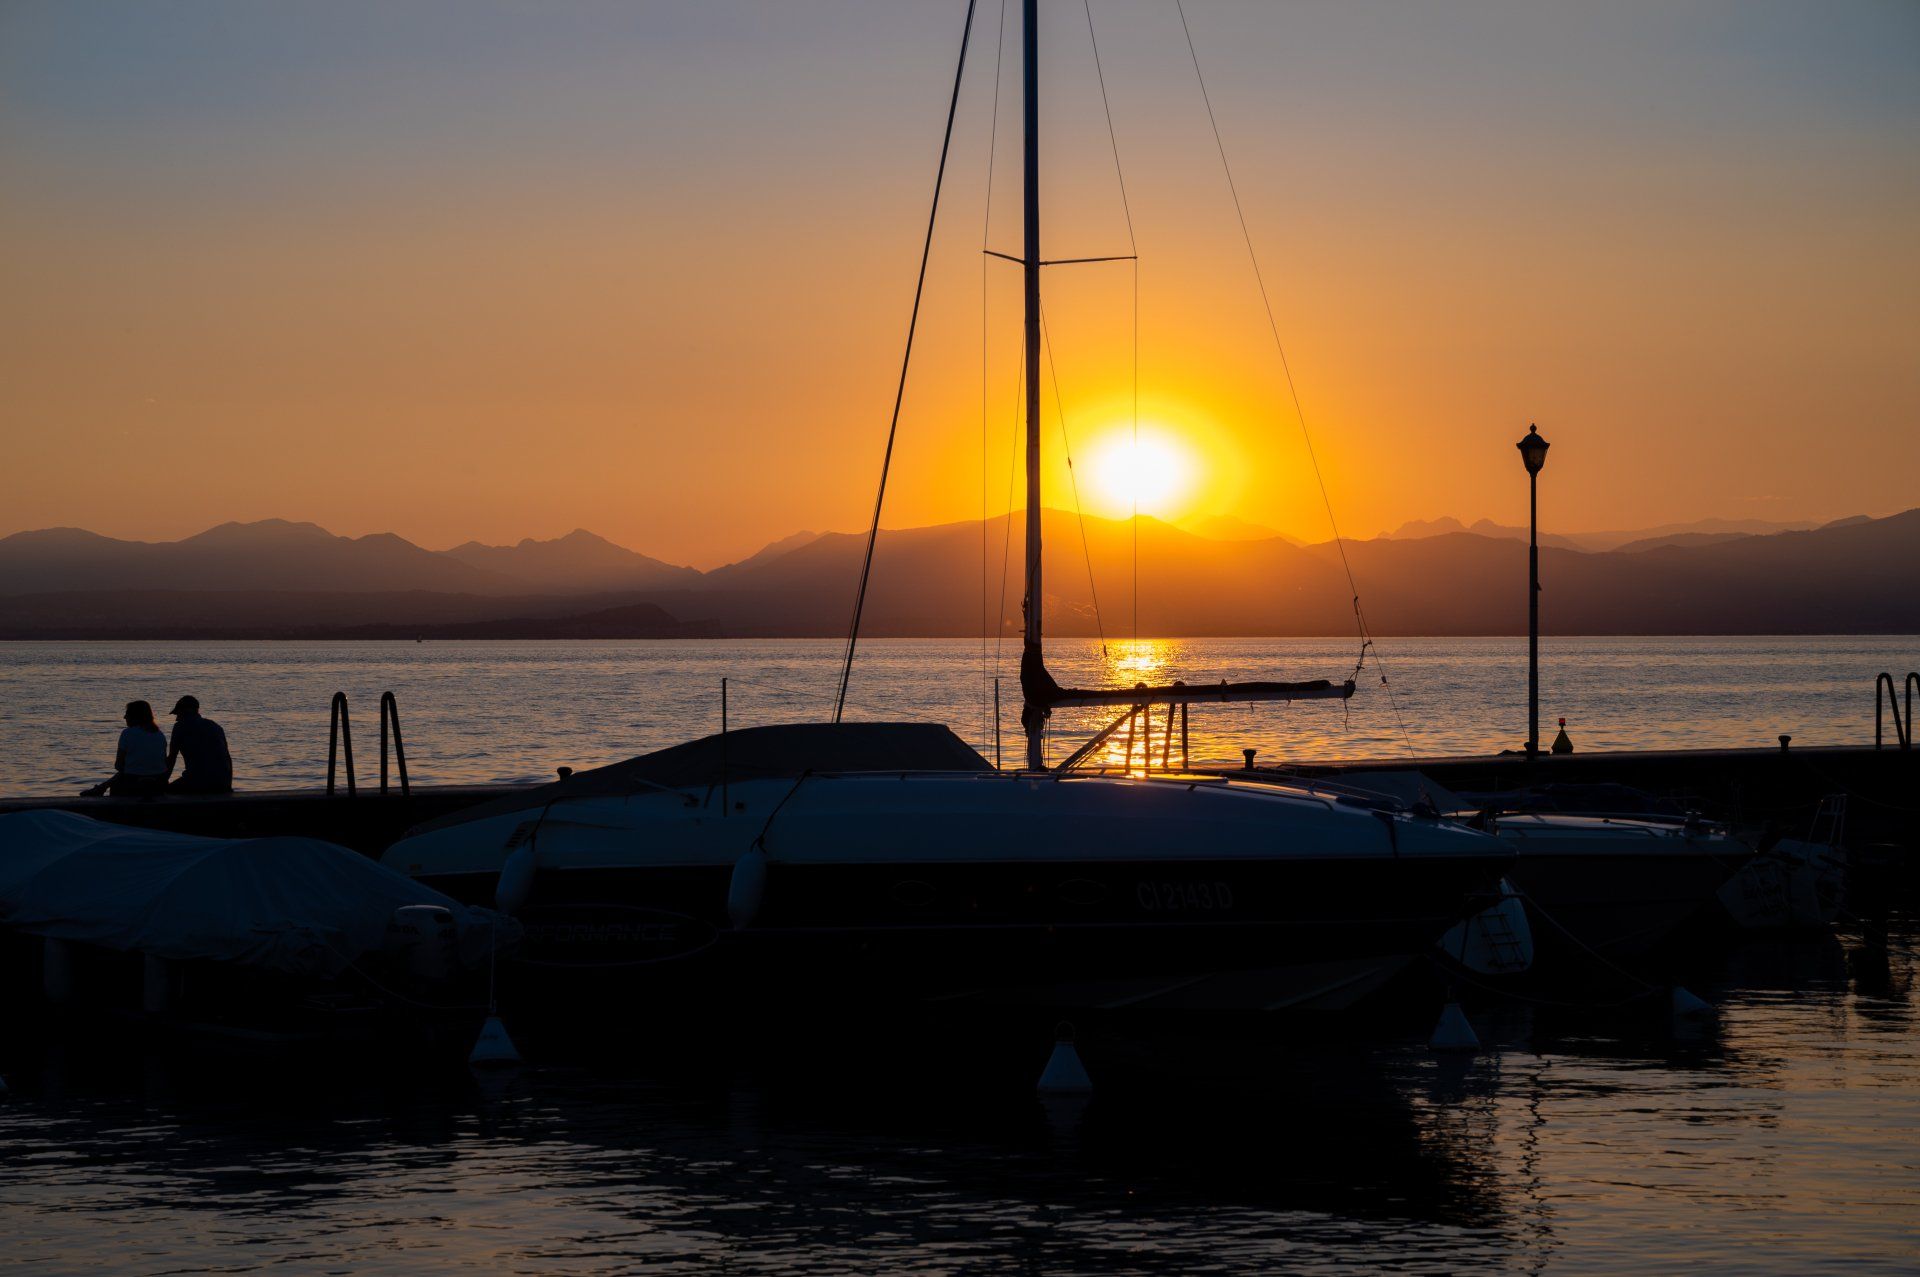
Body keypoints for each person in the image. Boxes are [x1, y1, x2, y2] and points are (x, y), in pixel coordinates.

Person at [80, 701, 170, 797]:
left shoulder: (128, 733)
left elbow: (118, 765)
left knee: (121, 778)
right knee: (126, 773)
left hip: (133, 782)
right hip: (159, 782)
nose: (124, 717)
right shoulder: (160, 735)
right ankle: (101, 788)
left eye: (127, 714)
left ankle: (100, 788)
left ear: (135, 716)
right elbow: (163, 763)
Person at [165, 695, 233, 794]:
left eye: (177, 714)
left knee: (165, 794)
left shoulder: (180, 727)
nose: (176, 718)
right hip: (222, 783)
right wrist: (227, 785)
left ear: (183, 711)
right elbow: (228, 758)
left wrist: (162, 781)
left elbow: (172, 758)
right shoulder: (215, 726)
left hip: (197, 782)